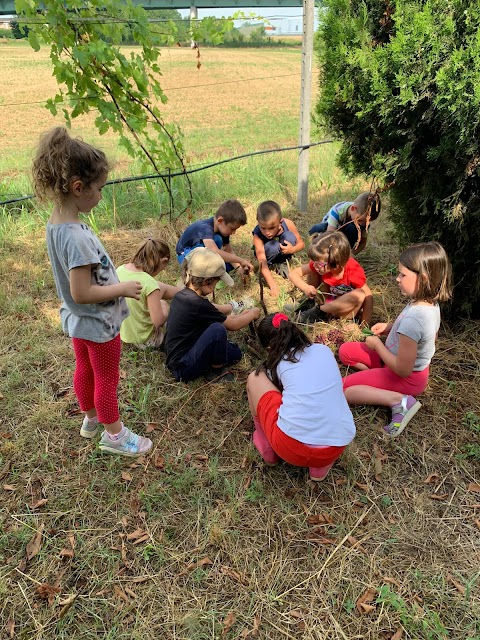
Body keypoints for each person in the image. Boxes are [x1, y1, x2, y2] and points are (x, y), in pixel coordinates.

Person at [32, 127, 152, 457]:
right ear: (78, 188)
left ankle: (90, 420)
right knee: (106, 379)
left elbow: (75, 295)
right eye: (99, 189)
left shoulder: (56, 222)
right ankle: (114, 435)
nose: (101, 195)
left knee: (84, 370)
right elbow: (83, 291)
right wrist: (122, 288)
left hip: (77, 321)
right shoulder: (77, 238)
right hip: (97, 323)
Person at [339, 242, 452, 437]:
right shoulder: (427, 303)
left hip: (405, 377)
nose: (397, 278)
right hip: (394, 361)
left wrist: (377, 345)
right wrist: (389, 328)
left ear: (423, 278)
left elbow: (403, 369)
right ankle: (377, 379)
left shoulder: (415, 319)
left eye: (403, 275)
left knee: (344, 389)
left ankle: (399, 401)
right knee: (345, 352)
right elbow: (422, 338)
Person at [246, 313, 355, 481]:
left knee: (254, 378)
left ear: (269, 348)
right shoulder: (324, 350)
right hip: (335, 446)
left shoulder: (278, 364)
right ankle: (319, 469)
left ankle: (266, 446)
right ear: (295, 330)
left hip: (290, 448)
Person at [165, 248, 260, 383]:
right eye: (216, 282)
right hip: (183, 368)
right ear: (207, 281)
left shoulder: (182, 296)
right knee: (218, 330)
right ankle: (216, 372)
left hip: (177, 358)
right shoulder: (199, 304)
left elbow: (222, 318)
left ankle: (212, 359)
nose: (215, 287)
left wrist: (242, 316)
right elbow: (232, 325)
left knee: (235, 352)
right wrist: (252, 314)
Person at [287, 231, 373, 324]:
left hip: (343, 312)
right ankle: (310, 303)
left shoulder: (352, 270)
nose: (315, 265)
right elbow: (293, 274)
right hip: (327, 302)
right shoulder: (321, 265)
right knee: (313, 271)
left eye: (319, 263)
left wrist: (365, 325)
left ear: (336, 263)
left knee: (359, 294)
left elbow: (369, 297)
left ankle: (316, 313)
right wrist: (306, 288)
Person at [116, 238, 181, 349]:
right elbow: (158, 321)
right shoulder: (150, 284)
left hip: (123, 335)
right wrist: (166, 309)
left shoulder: (120, 270)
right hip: (146, 341)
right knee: (163, 304)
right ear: (163, 261)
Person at [175, 199, 254, 275]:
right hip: (185, 255)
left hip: (203, 253)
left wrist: (238, 267)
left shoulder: (223, 230)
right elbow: (214, 251)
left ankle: (209, 269)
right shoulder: (205, 228)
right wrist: (241, 260)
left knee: (228, 264)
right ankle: (196, 271)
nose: (233, 232)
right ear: (220, 220)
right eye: (232, 229)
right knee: (217, 240)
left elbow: (228, 250)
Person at [252, 200, 305, 296]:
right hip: (268, 253)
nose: (267, 232)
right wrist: (273, 286)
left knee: (289, 236)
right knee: (273, 246)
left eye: (272, 228)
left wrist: (292, 250)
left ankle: (282, 262)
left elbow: (301, 243)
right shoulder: (257, 235)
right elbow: (262, 263)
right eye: (263, 228)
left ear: (281, 222)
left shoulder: (288, 223)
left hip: (284, 251)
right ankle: (273, 264)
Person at [309, 191, 381, 254]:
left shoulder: (364, 221)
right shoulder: (337, 211)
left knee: (353, 228)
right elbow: (330, 235)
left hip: (345, 234)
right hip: (329, 230)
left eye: (367, 222)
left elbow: (362, 243)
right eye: (360, 220)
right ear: (353, 209)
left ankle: (345, 252)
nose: (362, 224)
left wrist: (351, 254)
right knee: (317, 228)